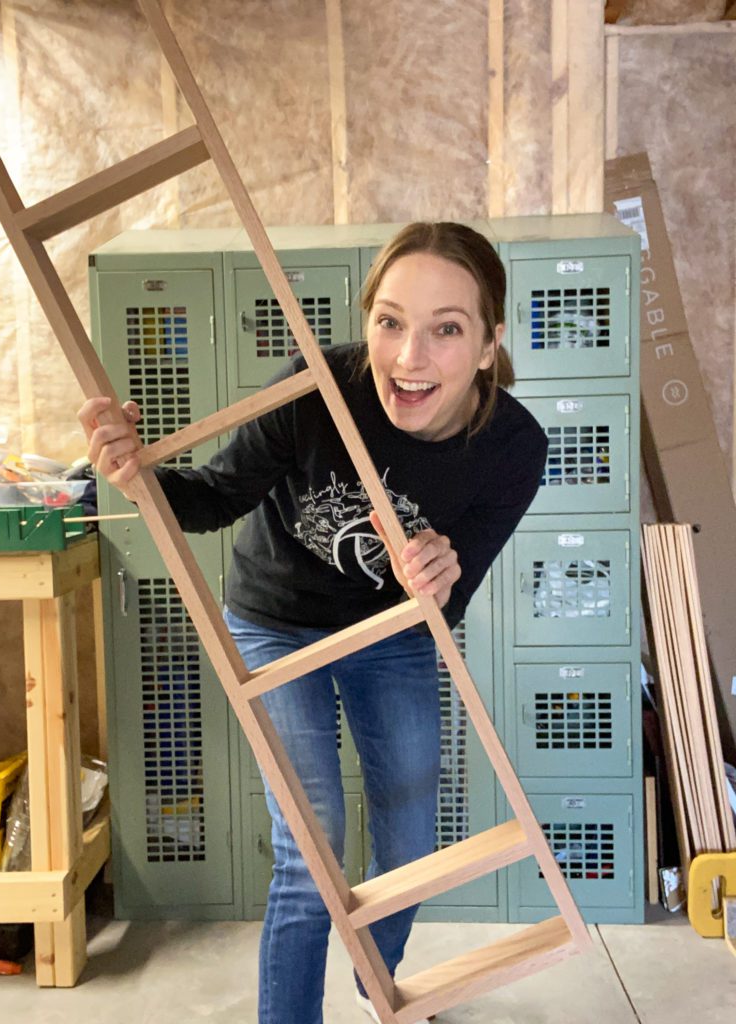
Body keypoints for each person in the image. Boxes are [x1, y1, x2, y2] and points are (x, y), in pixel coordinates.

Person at [79, 221, 548, 1024]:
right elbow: (212, 498)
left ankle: (379, 985)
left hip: (390, 632)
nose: (409, 357)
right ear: (367, 320)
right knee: (312, 846)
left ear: (487, 345)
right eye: (391, 321)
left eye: (447, 329)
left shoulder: (512, 447)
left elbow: (449, 601)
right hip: (275, 619)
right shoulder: (317, 389)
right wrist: (136, 471)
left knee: (409, 844)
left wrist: (440, 574)